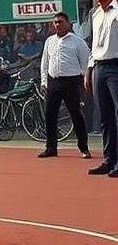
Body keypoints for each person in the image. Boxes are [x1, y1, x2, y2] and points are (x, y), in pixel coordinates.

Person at [38, 12, 91, 159]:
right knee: (50, 115)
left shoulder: (77, 41)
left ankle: (83, 148)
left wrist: (84, 79)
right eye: (55, 22)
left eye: (61, 22)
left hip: (71, 82)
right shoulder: (49, 41)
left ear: (68, 24)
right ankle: (51, 148)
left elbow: (86, 62)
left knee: (76, 115)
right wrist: (44, 81)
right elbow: (44, 63)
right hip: (53, 82)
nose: (58, 25)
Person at [85, 0, 118, 177]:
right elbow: (94, 46)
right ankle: (109, 160)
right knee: (104, 117)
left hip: (116, 66)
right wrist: (88, 70)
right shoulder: (95, 14)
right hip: (99, 67)